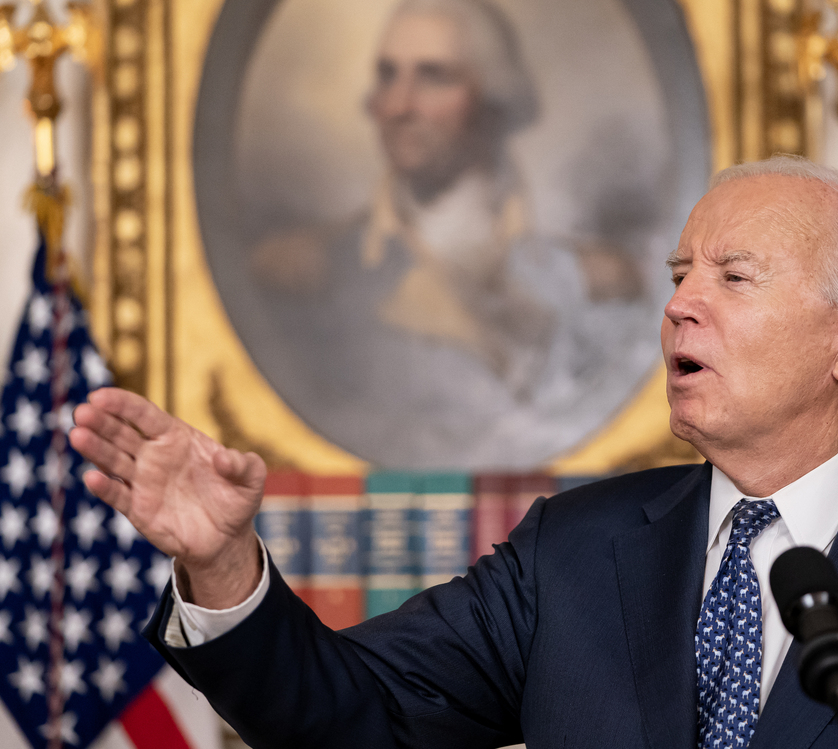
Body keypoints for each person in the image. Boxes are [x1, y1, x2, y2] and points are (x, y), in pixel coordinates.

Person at [70, 157, 838, 748]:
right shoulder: (574, 550)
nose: (680, 303)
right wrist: (223, 562)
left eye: (734, 277)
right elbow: (351, 714)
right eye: (680, 275)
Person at [241, 0, 659, 469]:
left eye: (433, 77)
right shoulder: (303, 272)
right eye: (386, 74)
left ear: (493, 101)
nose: (399, 105)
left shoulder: (594, 281)